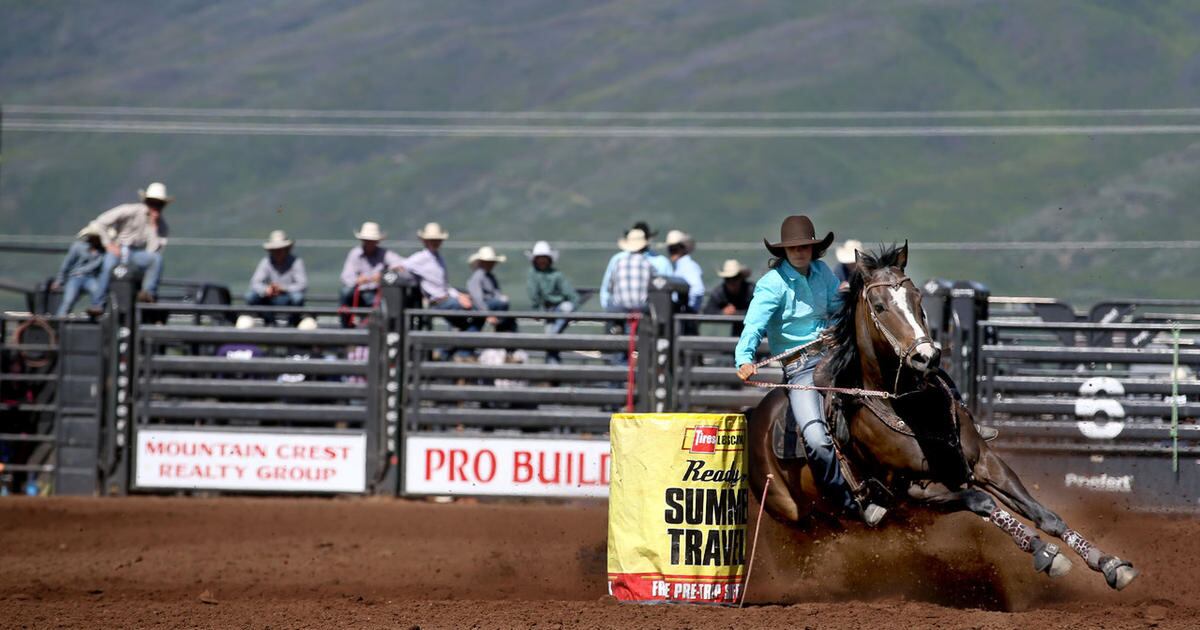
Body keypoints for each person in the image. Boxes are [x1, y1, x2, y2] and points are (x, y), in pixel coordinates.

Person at [734, 215, 886, 526]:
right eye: (793, 248)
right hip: (801, 367)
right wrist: (744, 358)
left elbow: (835, 308)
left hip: (835, 355)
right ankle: (844, 500)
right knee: (816, 437)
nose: (800, 251)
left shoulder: (823, 273)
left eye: (805, 246)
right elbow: (754, 325)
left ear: (813, 248)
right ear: (784, 252)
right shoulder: (772, 284)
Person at [84, 181, 173, 315]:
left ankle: (148, 295)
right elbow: (101, 222)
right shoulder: (129, 210)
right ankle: (98, 304)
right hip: (118, 249)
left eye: (158, 205)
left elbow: (153, 252)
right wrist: (108, 244)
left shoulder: (162, 227)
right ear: (146, 202)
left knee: (156, 260)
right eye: (152, 203)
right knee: (109, 266)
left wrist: (153, 228)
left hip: (137, 255)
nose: (155, 207)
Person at [397, 222, 474, 330]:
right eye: (432, 240)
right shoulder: (421, 258)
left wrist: (458, 295)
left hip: (446, 299)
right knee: (473, 311)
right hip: (438, 301)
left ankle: (458, 344)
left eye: (437, 240)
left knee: (469, 320)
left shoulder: (438, 258)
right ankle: (463, 343)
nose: (435, 243)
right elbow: (401, 267)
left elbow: (444, 286)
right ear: (425, 241)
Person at [339, 221, 404, 327]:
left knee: (384, 305)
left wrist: (384, 276)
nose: (369, 243)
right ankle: (345, 327)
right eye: (367, 240)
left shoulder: (385, 254)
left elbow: (400, 266)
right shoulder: (355, 254)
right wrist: (357, 280)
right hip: (357, 291)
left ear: (377, 241)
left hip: (375, 293)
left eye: (372, 241)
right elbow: (345, 276)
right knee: (345, 292)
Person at [526, 240, 579, 363]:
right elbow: (533, 294)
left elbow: (572, 295)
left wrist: (573, 309)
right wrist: (535, 311)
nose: (542, 261)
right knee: (552, 345)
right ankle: (552, 373)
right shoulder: (533, 274)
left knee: (551, 339)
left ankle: (551, 373)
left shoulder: (557, 275)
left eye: (544, 258)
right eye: (539, 258)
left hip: (560, 310)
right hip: (548, 312)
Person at [245, 230, 307, 325]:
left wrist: (283, 289)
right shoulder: (266, 262)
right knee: (250, 296)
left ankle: (292, 324)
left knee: (298, 297)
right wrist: (267, 289)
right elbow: (255, 283)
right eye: (274, 250)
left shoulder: (296, 262)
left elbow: (302, 284)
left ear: (287, 249)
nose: (277, 252)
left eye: (280, 249)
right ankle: (269, 322)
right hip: (269, 298)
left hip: (287, 296)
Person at [51, 226, 107, 316]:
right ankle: (60, 320)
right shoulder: (78, 247)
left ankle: (97, 312)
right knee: (68, 300)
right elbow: (67, 264)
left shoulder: (102, 252)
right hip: (76, 276)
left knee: (98, 293)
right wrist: (59, 280)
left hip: (91, 278)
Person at [465, 246, 516, 333]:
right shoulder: (478, 276)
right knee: (475, 329)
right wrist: (487, 314)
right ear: (481, 262)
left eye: (491, 262)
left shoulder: (490, 276)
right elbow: (477, 299)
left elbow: (496, 293)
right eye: (487, 262)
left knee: (475, 329)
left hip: (486, 309)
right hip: (482, 309)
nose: (490, 264)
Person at [702, 259, 755, 335]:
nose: (731, 282)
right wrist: (722, 313)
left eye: (735, 278)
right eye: (728, 279)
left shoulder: (751, 291)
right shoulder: (719, 292)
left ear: (741, 278)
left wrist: (736, 313)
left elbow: (761, 311)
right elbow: (707, 312)